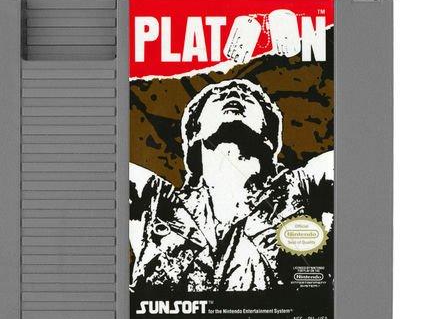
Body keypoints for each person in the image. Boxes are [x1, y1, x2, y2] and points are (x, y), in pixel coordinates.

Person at [130, 79, 333, 292]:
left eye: (249, 97)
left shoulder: (306, 189)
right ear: (194, 133)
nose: (234, 93)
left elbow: (352, 159)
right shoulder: (157, 203)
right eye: (217, 96)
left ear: (268, 137)